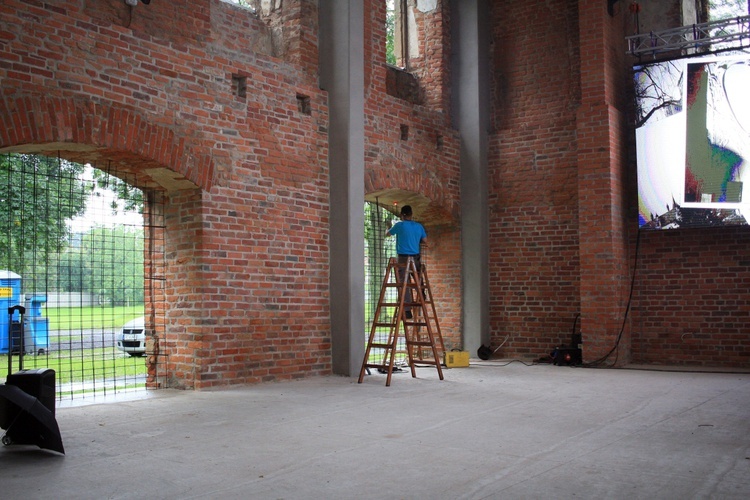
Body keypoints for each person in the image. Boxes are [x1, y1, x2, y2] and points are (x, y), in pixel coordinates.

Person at [386, 205, 427, 318]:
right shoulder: (419, 226)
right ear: (411, 214)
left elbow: (388, 234)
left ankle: (407, 310)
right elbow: (425, 240)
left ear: (401, 215)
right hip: (416, 256)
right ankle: (422, 292)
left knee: (404, 282)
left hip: (403, 257)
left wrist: (388, 227)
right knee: (417, 277)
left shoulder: (400, 225)